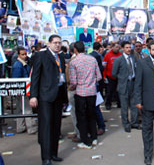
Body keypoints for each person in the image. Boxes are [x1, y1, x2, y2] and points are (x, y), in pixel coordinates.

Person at [30, 35, 68, 165]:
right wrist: (33, 95)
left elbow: (61, 75)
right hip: (45, 96)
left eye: (59, 43)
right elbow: (35, 77)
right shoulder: (41, 56)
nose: (57, 45)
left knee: (56, 126)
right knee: (46, 127)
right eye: (55, 43)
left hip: (58, 96)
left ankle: (53, 153)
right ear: (49, 44)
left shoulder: (61, 57)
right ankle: (46, 157)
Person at [69, 41, 102, 149]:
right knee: (92, 115)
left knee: (81, 117)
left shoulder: (73, 62)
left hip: (80, 93)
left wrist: (74, 86)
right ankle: (94, 137)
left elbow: (73, 81)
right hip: (92, 92)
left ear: (75, 50)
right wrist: (91, 82)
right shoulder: (92, 59)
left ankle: (85, 140)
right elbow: (99, 77)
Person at [112, 41, 141, 132]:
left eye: (130, 47)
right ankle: (126, 124)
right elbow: (114, 73)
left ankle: (134, 122)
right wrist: (122, 78)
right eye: (127, 47)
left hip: (133, 83)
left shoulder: (134, 58)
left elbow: (137, 69)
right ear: (123, 49)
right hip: (124, 84)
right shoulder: (118, 60)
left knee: (134, 104)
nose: (129, 49)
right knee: (124, 106)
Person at [12, 47, 37, 134]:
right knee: (27, 109)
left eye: (25, 54)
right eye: (23, 54)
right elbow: (16, 79)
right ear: (18, 55)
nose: (25, 56)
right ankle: (31, 128)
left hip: (22, 90)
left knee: (20, 109)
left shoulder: (22, 64)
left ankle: (20, 127)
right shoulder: (18, 65)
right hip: (23, 90)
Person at [89, 42, 107, 135]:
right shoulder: (97, 56)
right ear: (100, 48)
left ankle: (99, 124)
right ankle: (101, 124)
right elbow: (99, 70)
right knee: (96, 106)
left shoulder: (90, 55)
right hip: (95, 84)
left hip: (92, 84)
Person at [103, 42, 122, 110]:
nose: (117, 49)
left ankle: (119, 103)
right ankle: (108, 104)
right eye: (116, 47)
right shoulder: (107, 55)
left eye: (118, 47)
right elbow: (104, 66)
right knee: (109, 92)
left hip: (119, 77)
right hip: (110, 76)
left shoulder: (121, 54)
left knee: (119, 91)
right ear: (112, 47)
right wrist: (104, 76)